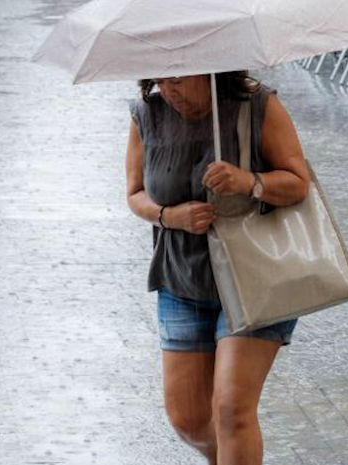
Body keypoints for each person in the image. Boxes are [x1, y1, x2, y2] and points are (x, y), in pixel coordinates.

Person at [124, 72, 310, 465]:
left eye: (177, 79)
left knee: (231, 410)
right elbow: (135, 193)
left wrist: (249, 181)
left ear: (210, 68)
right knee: (188, 420)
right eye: (160, 80)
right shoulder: (146, 115)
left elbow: (298, 183)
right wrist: (168, 216)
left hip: (257, 278)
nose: (168, 90)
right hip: (182, 279)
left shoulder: (257, 105)